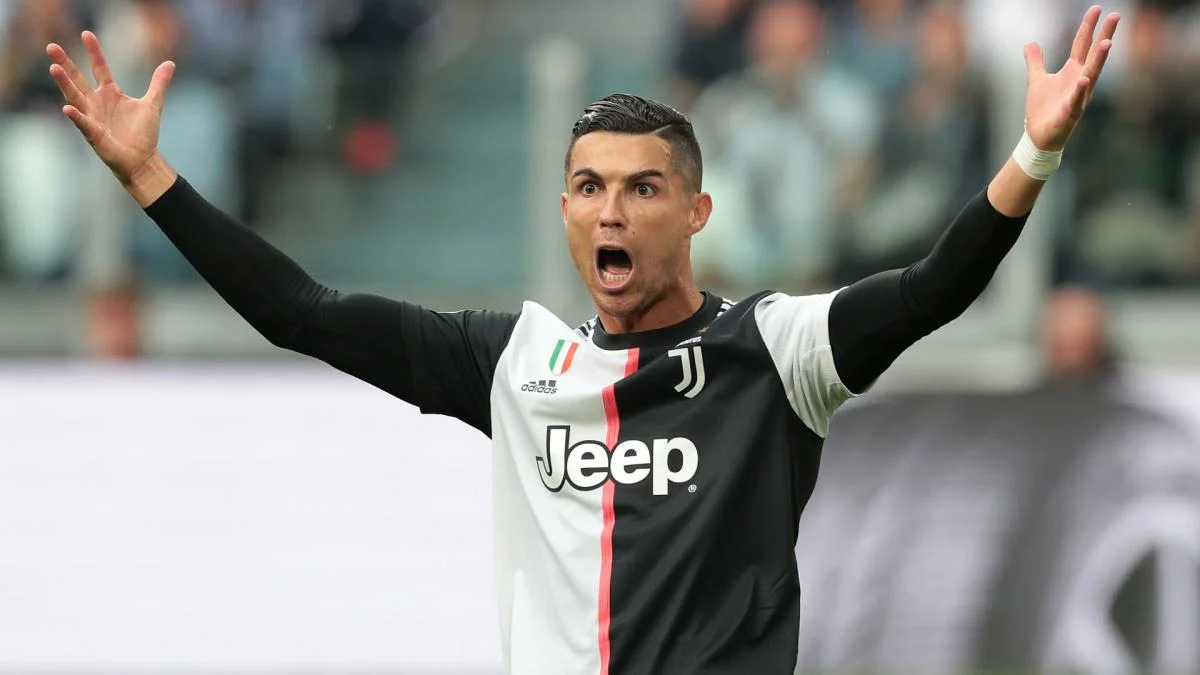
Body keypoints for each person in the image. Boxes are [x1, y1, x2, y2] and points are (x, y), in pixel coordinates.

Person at [44, 7, 1120, 673]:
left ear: (696, 213)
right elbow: (301, 312)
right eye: (590, 188)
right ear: (562, 209)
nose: (612, 211)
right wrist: (154, 180)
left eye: (643, 189)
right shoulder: (513, 363)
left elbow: (933, 289)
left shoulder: (775, 350)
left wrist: (1034, 150)